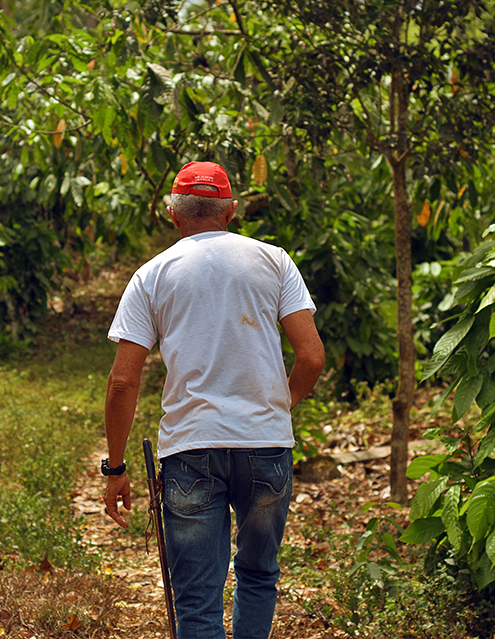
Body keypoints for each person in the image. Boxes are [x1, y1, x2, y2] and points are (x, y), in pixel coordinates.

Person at [100, 161, 325, 639]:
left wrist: (116, 468)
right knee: (259, 574)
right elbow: (310, 356)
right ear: (232, 211)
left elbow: (123, 382)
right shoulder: (273, 260)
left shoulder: (151, 275)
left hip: (190, 450)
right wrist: (277, 407)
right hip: (266, 446)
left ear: (172, 215)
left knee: (197, 598)